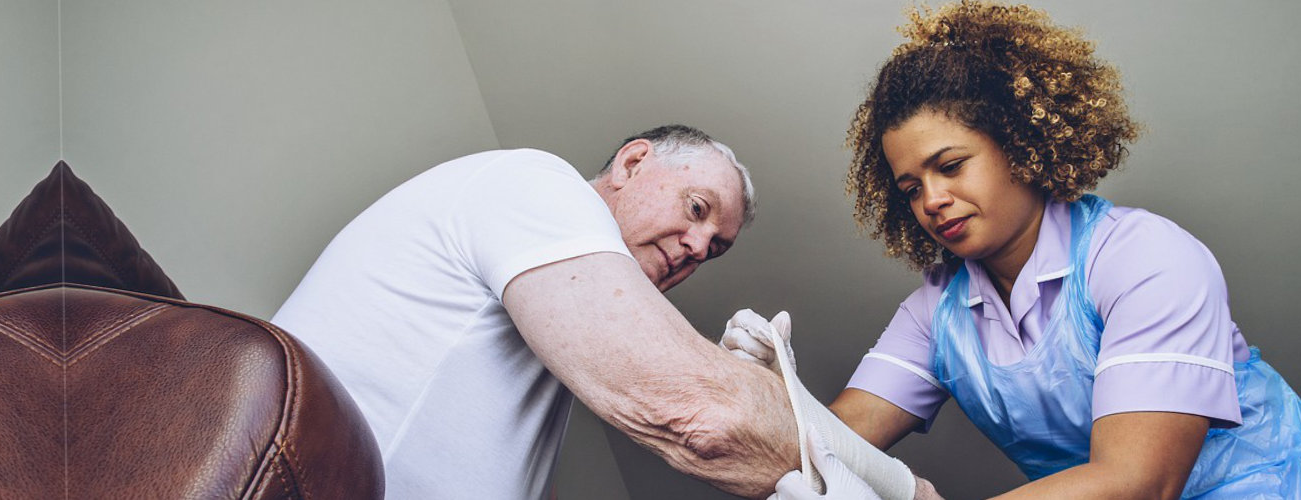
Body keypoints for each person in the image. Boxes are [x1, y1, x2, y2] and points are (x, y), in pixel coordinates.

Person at [724, 2, 1301, 498]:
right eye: (910, 187)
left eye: (951, 165)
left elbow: (1138, 481)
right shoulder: (938, 313)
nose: (932, 199)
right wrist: (765, 389)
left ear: (1018, 143)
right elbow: (831, 441)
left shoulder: (1145, 258)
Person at [271, 125, 938, 499]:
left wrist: (770, 390)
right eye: (697, 210)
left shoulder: (545, 306)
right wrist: (907, 494)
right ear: (633, 161)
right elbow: (704, 415)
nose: (699, 247)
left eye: (717, 249)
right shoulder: (534, 183)